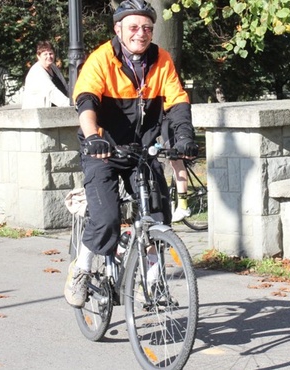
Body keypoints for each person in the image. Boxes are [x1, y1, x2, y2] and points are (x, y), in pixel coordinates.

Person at [64, 0, 198, 308]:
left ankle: (154, 282)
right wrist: (92, 136)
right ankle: (82, 268)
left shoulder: (161, 59)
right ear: (118, 29)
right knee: (107, 218)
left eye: (147, 28)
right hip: (103, 150)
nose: (141, 33)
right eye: (134, 27)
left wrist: (185, 137)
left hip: (142, 150)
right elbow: (85, 102)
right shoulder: (102, 59)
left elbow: (177, 102)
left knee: (157, 216)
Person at [21, 41, 70, 109]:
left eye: (51, 53)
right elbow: (51, 92)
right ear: (38, 56)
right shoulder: (37, 71)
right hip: (37, 115)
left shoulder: (53, 67)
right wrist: (70, 105)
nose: (49, 56)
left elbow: (65, 87)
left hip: (55, 112)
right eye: (45, 54)